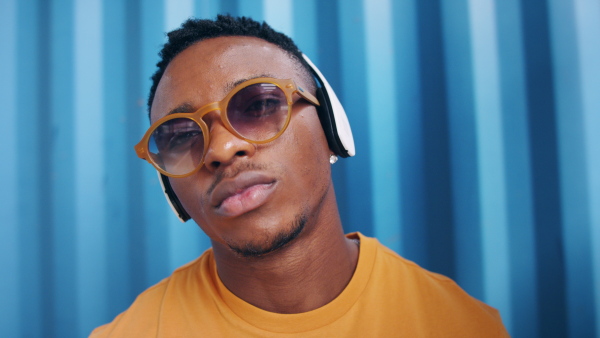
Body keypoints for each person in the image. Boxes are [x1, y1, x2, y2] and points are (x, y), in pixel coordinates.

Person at [91, 15, 508, 337]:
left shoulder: (461, 326)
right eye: (182, 135)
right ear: (171, 187)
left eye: (257, 106)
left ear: (330, 128)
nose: (220, 150)